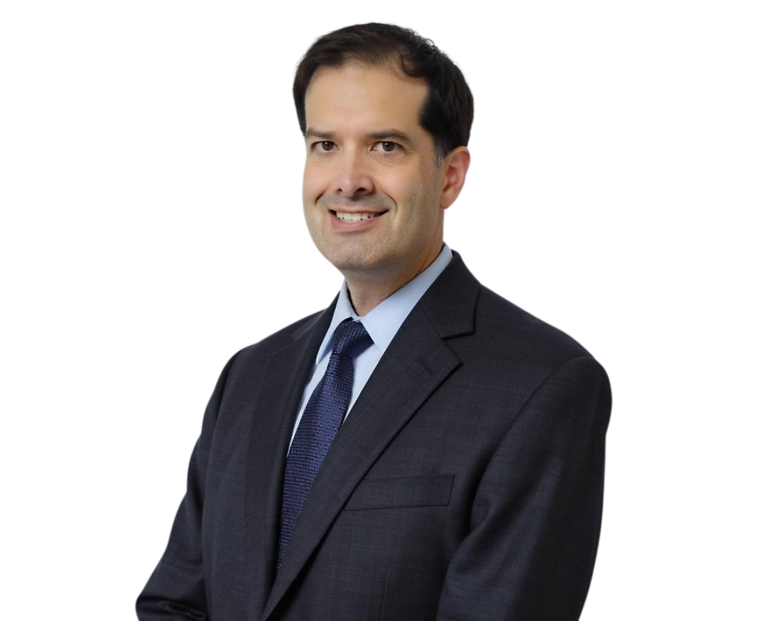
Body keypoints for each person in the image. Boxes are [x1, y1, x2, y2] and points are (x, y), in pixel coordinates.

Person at [135, 21, 612, 621]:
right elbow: (173, 603)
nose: (349, 180)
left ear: (451, 175)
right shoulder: (249, 374)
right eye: (325, 145)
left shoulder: (543, 384)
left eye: (385, 146)